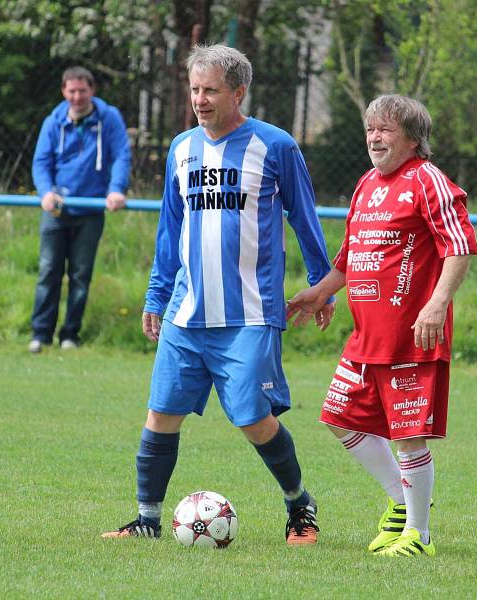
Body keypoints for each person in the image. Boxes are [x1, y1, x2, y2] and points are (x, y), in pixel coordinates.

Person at [101, 45, 334, 544]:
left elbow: (304, 218)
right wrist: (155, 295)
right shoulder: (181, 149)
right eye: (194, 89)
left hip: (251, 313)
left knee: (254, 419)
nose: (200, 100)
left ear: (238, 92)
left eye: (210, 90)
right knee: (161, 414)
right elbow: (171, 229)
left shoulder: (274, 146)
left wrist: (321, 286)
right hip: (187, 312)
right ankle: (147, 519)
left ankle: (299, 505)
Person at [286, 94, 477, 557]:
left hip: (412, 334)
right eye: (370, 129)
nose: (374, 137)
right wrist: (321, 292)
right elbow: (352, 256)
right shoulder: (367, 184)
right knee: (338, 416)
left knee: (409, 435)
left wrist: (436, 305)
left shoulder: (427, 181)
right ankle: (402, 502)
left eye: (385, 129)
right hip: (367, 337)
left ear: (413, 138)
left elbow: (460, 246)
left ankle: (420, 535)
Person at [29, 66, 131, 353]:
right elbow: (41, 162)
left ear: (92, 90)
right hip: (57, 208)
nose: (77, 96)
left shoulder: (109, 117)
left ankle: (70, 335)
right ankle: (40, 334)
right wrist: (45, 191)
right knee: (49, 270)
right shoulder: (54, 121)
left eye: (82, 91)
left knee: (80, 275)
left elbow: (121, 154)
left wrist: (116, 189)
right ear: (64, 91)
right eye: (71, 91)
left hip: (91, 209)